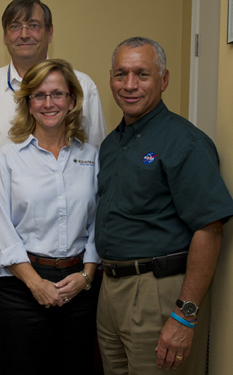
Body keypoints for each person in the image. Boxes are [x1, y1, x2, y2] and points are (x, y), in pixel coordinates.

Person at [95, 36, 233, 375]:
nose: (129, 85)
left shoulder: (185, 142)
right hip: (110, 289)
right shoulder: (112, 144)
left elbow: (209, 229)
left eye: (142, 74)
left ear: (164, 80)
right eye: (120, 74)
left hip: (157, 292)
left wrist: (184, 315)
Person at [0, 0, 107, 300]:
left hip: (74, 236)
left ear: (50, 32)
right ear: (4, 36)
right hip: (3, 228)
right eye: (15, 26)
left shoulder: (83, 86)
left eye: (33, 25)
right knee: (16, 333)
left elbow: (97, 167)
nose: (24, 33)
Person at [0, 59, 100, 375]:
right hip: (21, 288)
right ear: (28, 103)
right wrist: (36, 284)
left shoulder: (91, 157)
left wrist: (86, 276)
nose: (49, 103)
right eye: (39, 95)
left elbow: (97, 225)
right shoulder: (6, 159)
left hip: (78, 286)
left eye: (57, 94)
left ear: (72, 100)